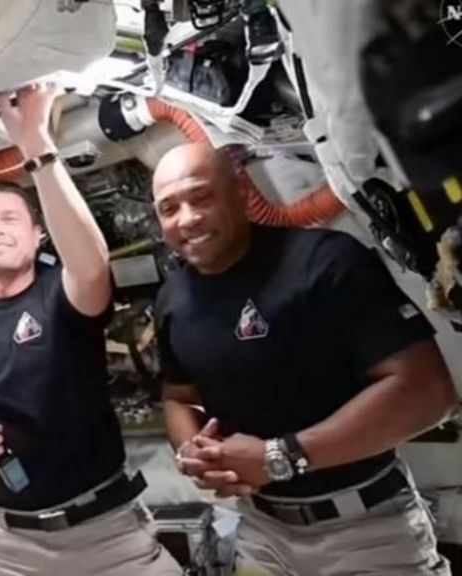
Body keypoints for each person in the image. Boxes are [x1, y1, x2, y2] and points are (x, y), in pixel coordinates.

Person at [0, 84, 182, 576]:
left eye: (9, 219)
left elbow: (92, 267)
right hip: (10, 547)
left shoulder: (62, 294)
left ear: (38, 236)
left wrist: (36, 146)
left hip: (109, 535)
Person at [153, 143, 457, 575]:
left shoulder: (326, 260)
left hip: (365, 529)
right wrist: (194, 452)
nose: (187, 218)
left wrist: (280, 456)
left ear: (241, 190)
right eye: (169, 208)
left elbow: (427, 392)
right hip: (259, 530)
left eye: (201, 197)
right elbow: (179, 396)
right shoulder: (172, 299)